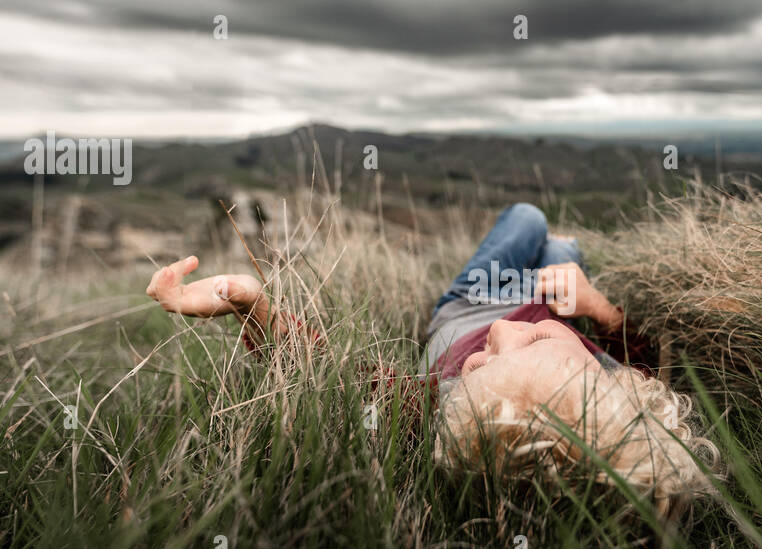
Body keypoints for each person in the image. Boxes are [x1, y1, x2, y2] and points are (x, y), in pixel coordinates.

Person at [145, 203, 719, 515]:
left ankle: (554, 250)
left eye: (480, 367)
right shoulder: (619, 382)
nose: (500, 335)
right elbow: (647, 359)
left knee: (527, 218)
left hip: (473, 298)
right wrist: (600, 312)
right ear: (609, 380)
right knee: (556, 245)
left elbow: (332, 379)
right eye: (538, 344)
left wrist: (255, 308)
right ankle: (561, 256)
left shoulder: (447, 413)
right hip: (552, 299)